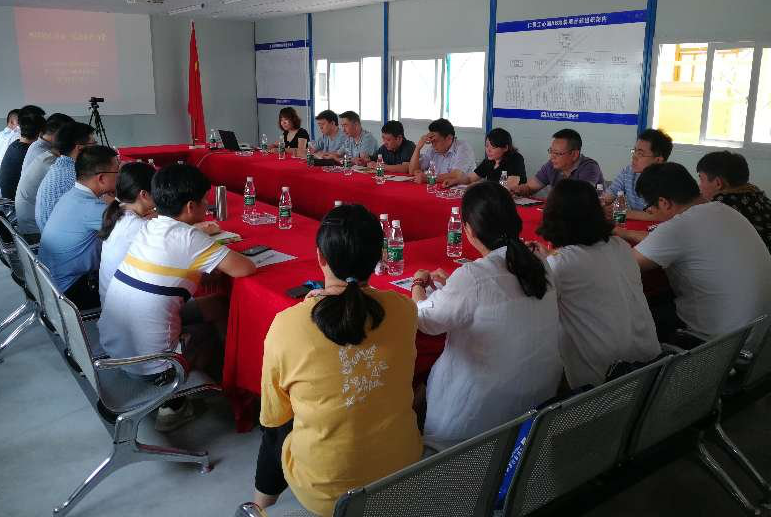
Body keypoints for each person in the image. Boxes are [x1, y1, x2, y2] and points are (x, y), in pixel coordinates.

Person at [254, 204, 421, 516]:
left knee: (278, 428)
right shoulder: (405, 309)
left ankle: (258, 506)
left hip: (325, 493)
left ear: (320, 257)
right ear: (381, 256)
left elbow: (273, 417)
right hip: (402, 471)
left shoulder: (288, 325)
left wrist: (311, 306)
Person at [99, 164, 256, 431]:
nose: (208, 205)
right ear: (192, 206)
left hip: (115, 349)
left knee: (217, 304)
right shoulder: (189, 237)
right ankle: (176, 403)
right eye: (205, 200)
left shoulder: (149, 226)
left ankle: (226, 376)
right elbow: (245, 268)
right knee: (214, 329)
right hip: (153, 367)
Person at [410, 181, 561, 449]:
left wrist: (418, 285)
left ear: (468, 230)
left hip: (477, 422)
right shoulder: (539, 262)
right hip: (536, 403)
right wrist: (452, 288)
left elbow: (425, 320)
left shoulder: (473, 276)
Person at [616, 163, 771, 341]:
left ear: (664, 203)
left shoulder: (678, 227)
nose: (649, 211)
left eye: (649, 206)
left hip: (719, 343)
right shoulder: (725, 210)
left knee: (631, 316)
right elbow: (669, 242)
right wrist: (627, 233)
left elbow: (623, 265)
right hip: (761, 336)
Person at [535, 179, 661, 388]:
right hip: (652, 369)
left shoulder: (561, 263)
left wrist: (546, 262)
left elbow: (535, 312)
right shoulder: (620, 245)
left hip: (603, 385)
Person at [37, 146, 119, 310]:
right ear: (101, 178)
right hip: (70, 293)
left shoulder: (71, 195)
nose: (120, 177)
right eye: (117, 172)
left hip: (50, 285)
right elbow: (135, 228)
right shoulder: (93, 209)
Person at [97, 162, 157, 305]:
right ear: (144, 194)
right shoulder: (138, 227)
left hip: (113, 303)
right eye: (157, 190)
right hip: (126, 307)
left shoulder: (119, 212)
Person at [696, 150, 771, 253]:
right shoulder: (756, 193)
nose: (699, 186)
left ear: (718, 183)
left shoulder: (720, 207)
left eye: (701, 179)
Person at [14, 114, 75, 235]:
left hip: (28, 218)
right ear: (59, 135)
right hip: (34, 230)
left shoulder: (39, 147)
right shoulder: (47, 157)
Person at [35, 122, 95, 231]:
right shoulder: (74, 176)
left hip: (49, 234)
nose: (97, 149)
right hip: (59, 236)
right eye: (93, 144)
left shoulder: (60, 166)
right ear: (80, 149)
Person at [603, 128, 673, 221]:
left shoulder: (669, 180)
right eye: (634, 151)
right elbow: (609, 196)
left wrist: (624, 213)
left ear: (658, 160)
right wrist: (603, 207)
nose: (634, 157)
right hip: (633, 225)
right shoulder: (628, 172)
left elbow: (661, 216)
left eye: (640, 153)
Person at [510, 129, 604, 196]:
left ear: (574, 154)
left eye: (557, 153)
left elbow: (580, 198)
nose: (552, 157)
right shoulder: (551, 165)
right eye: (551, 151)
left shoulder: (589, 167)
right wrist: (518, 190)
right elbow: (530, 188)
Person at [442, 128, 526, 187]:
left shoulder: (515, 159)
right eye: (486, 146)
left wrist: (481, 185)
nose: (488, 150)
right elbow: (470, 178)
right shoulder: (489, 160)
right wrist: (456, 181)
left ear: (505, 148)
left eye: (493, 147)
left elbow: (509, 186)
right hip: (493, 197)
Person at [408, 118, 476, 184]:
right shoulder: (432, 149)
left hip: (461, 189)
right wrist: (418, 148)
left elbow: (456, 175)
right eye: (432, 141)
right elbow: (412, 171)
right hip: (439, 187)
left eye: (436, 141)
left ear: (449, 138)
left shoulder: (463, 147)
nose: (433, 145)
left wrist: (428, 179)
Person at [0, 105, 46, 200]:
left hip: (7, 201)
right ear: (41, 131)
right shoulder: (32, 152)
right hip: (15, 204)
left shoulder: (15, 145)